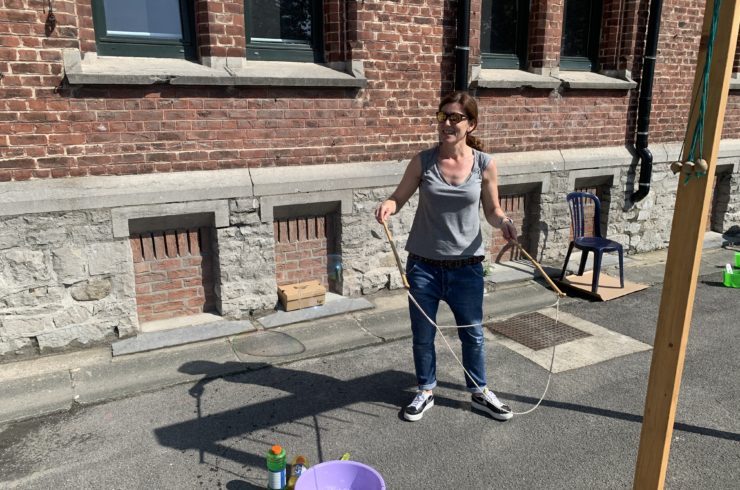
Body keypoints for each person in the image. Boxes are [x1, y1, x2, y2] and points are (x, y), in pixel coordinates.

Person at [375, 91, 518, 422]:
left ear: (471, 124)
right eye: (443, 117)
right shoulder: (423, 161)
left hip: (467, 268)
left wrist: (504, 222)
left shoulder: (485, 164)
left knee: (472, 333)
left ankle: (479, 392)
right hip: (423, 266)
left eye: (455, 118)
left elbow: (493, 210)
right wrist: (388, 205)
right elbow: (398, 197)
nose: (447, 124)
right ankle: (425, 390)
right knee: (423, 335)